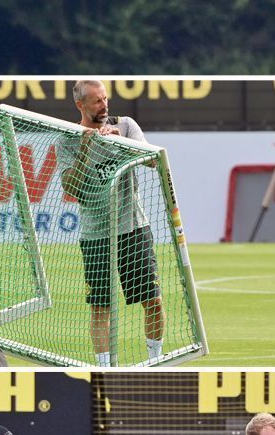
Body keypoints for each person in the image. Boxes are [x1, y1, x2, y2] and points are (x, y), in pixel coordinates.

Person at [61, 77, 165, 365]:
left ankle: (154, 360)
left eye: (105, 98)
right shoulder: (67, 139)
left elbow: (154, 160)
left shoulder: (127, 125)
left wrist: (120, 141)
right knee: (100, 306)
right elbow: (72, 189)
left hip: (133, 227)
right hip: (96, 234)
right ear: (80, 104)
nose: (104, 105)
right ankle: (105, 367)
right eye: (96, 101)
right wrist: (85, 148)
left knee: (153, 300)